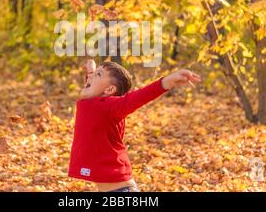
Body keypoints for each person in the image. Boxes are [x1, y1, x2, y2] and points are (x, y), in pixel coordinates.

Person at [68, 59, 202, 192]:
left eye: (98, 75)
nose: (89, 77)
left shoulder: (111, 106)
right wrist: (92, 70)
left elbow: (137, 98)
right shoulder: (93, 100)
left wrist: (167, 82)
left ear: (109, 90)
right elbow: (92, 87)